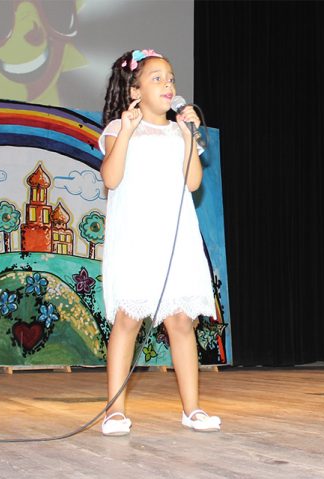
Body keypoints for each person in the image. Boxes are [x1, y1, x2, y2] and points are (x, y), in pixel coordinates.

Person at [98, 49, 220, 436]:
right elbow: (111, 179)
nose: (168, 85)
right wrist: (128, 130)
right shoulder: (120, 129)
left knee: (182, 321)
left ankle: (193, 409)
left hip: (176, 238)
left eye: (170, 78)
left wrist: (188, 135)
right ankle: (114, 411)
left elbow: (194, 182)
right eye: (156, 78)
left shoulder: (179, 131)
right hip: (137, 237)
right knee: (128, 319)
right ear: (134, 89)